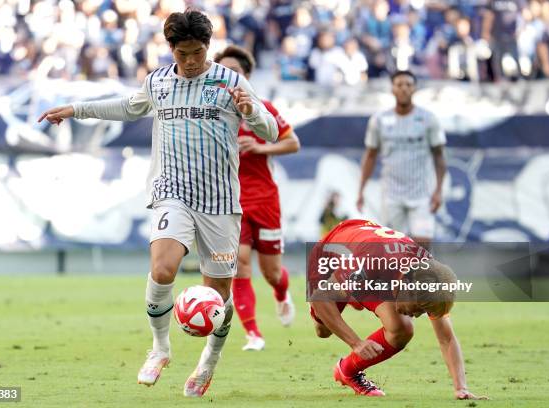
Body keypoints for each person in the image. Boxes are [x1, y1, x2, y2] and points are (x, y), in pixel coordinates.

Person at [37, 9, 278, 398]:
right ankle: (159, 348)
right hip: (172, 193)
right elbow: (126, 107)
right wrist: (77, 109)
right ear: (171, 50)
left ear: (208, 47)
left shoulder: (231, 81)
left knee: (218, 296)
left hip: (219, 202)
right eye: (182, 54)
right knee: (163, 268)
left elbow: (269, 127)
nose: (190, 61)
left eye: (197, 52)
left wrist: (250, 112)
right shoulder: (159, 82)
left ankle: (208, 362)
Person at [308, 219, 488, 400]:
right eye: (418, 309)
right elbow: (319, 299)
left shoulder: (430, 277)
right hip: (332, 252)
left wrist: (461, 388)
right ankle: (351, 294)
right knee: (323, 330)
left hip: (373, 270)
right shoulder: (371, 261)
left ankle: (347, 371)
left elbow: (447, 338)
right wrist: (356, 343)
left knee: (402, 328)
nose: (417, 315)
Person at [214, 45, 300, 351]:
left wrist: (261, 148)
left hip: (265, 199)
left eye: (234, 72)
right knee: (240, 264)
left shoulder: (263, 109)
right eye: (222, 72)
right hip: (230, 201)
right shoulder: (212, 113)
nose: (228, 77)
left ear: (247, 76)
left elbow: (293, 143)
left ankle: (281, 293)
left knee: (273, 273)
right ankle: (253, 333)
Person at [357, 70, 446, 248]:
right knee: (394, 250)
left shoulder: (428, 119)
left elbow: (439, 156)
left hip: (421, 195)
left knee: (422, 246)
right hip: (391, 195)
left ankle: (417, 276)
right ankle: (399, 277)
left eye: (408, 85)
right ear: (392, 89)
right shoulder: (379, 120)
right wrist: (361, 190)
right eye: (399, 85)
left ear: (414, 89)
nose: (404, 89)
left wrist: (438, 191)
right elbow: (370, 155)